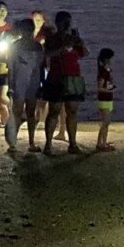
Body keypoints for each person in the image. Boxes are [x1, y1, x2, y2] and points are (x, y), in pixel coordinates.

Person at [42, 11, 88, 155]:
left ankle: (72, 144)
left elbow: (85, 54)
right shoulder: (52, 38)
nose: (66, 24)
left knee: (72, 111)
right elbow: (48, 53)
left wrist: (80, 42)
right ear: (58, 23)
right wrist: (63, 47)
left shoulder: (73, 38)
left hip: (73, 76)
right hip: (57, 77)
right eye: (64, 22)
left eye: (68, 21)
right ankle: (48, 145)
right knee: (54, 110)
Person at [5, 18, 45, 152]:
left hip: (31, 82)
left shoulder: (37, 46)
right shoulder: (16, 46)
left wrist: (41, 84)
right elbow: (10, 68)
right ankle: (13, 142)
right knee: (19, 112)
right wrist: (10, 86)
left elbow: (40, 67)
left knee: (30, 113)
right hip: (20, 83)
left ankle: (30, 142)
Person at [96, 47, 116, 152]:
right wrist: (110, 90)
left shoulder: (105, 71)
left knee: (106, 122)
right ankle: (100, 143)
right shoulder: (103, 72)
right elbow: (99, 87)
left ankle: (103, 142)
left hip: (107, 99)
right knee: (105, 122)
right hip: (104, 99)